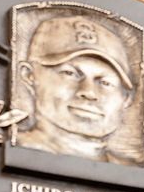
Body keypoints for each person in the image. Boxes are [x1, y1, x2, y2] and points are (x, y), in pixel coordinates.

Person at [14, 14, 136, 161]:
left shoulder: (128, 169)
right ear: (29, 75)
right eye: (69, 73)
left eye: (105, 82)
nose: (89, 92)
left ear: (126, 98)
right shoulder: (0, 147)